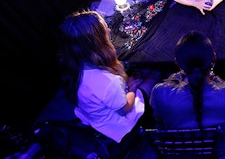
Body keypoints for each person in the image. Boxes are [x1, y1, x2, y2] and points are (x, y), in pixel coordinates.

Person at [58, 10, 160, 156]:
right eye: (105, 28)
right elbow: (125, 109)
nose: (109, 30)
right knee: (152, 76)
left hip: (95, 117)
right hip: (118, 125)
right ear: (97, 42)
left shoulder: (72, 67)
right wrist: (132, 88)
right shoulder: (108, 82)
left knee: (139, 74)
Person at [150, 30, 225, 129]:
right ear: (214, 58)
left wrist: (178, 76)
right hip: (222, 142)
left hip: (178, 142)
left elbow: (157, 117)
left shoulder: (160, 93)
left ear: (177, 62)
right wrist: (214, 77)